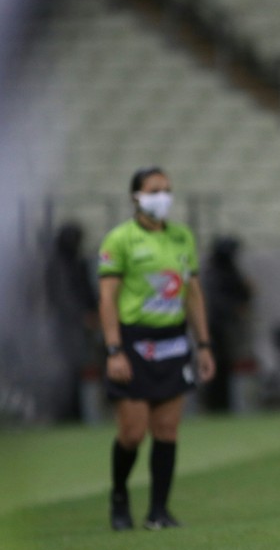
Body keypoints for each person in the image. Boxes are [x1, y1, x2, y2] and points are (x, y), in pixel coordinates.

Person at [98, 166, 215, 531]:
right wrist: (114, 349)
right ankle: (119, 499)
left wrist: (204, 344)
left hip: (173, 341)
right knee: (132, 433)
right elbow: (107, 298)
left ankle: (158, 511)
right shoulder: (120, 240)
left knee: (167, 430)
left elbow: (192, 293)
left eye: (167, 189)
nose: (163, 196)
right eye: (154, 190)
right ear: (136, 196)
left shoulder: (182, 237)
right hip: (134, 343)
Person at [43, 221, 99, 421]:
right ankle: (64, 412)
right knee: (65, 368)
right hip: (64, 326)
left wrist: (92, 312)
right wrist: (82, 316)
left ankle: (78, 411)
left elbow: (86, 291)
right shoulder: (57, 265)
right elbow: (62, 297)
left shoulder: (77, 262)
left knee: (78, 368)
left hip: (77, 325)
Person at [202, 236, 253, 412]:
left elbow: (243, 292)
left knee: (232, 365)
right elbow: (217, 301)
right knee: (218, 364)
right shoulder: (213, 272)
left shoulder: (231, 270)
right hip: (217, 326)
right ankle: (215, 404)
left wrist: (246, 291)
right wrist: (234, 308)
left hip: (231, 327)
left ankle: (230, 403)